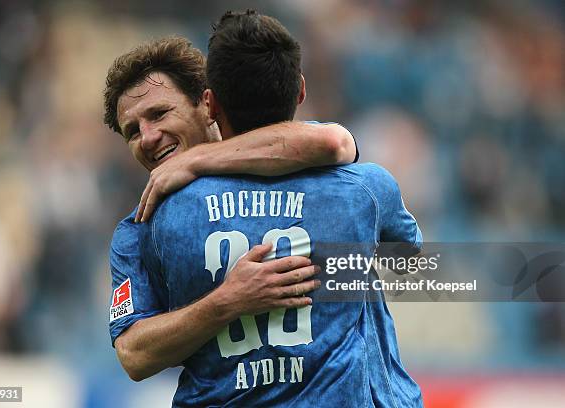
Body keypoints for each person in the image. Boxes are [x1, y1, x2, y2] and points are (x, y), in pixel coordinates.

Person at [137, 10, 423, 407]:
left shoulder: (167, 211)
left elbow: (139, 348)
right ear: (301, 90)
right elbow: (408, 259)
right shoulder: (366, 189)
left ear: (210, 103)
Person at [104, 37, 358, 378]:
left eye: (159, 113)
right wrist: (228, 301)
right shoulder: (139, 230)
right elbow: (133, 355)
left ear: (206, 104)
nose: (148, 137)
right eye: (132, 131)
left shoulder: (286, 155)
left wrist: (197, 160)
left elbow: (333, 142)